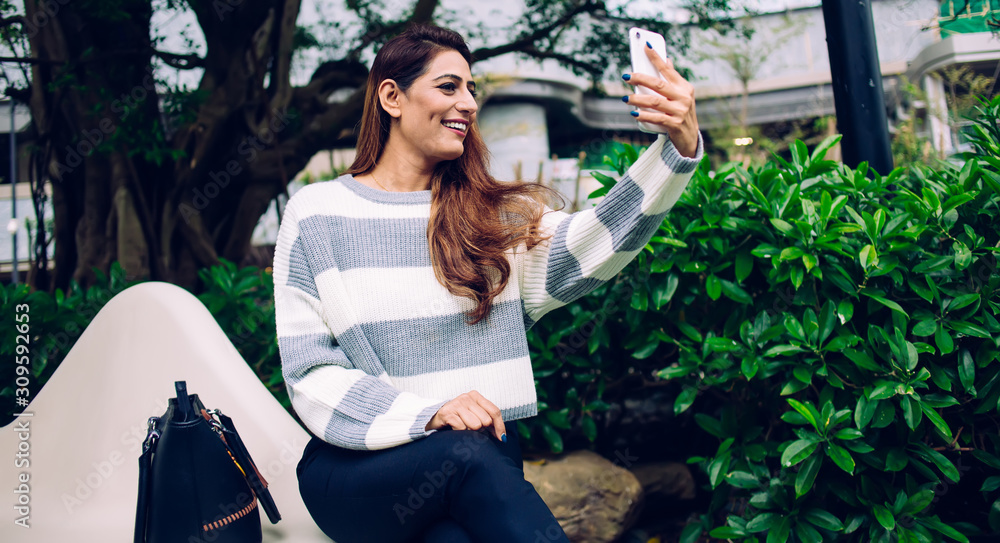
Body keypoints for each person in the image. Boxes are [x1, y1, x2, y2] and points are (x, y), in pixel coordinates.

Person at [272, 22, 703, 543]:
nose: (469, 103)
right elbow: (310, 369)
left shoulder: (487, 217)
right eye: (450, 86)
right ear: (391, 96)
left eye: (471, 89)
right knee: (465, 448)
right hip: (359, 472)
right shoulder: (318, 214)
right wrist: (428, 415)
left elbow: (590, 244)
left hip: (478, 463)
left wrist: (675, 151)